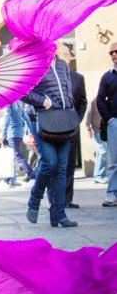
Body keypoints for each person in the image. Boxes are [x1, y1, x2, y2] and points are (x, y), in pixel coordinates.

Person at [24, 43, 78, 228]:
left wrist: (70, 108)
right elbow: (23, 91)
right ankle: (35, 200)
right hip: (42, 120)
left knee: (62, 168)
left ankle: (59, 215)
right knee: (50, 162)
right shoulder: (34, 66)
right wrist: (43, 102)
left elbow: (67, 90)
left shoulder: (62, 65)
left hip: (63, 120)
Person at [60, 42, 87, 209]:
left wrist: (77, 120)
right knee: (55, 164)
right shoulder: (50, 76)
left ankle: (67, 199)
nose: (63, 57)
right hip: (53, 126)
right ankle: (56, 199)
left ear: (70, 56)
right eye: (59, 54)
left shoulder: (78, 78)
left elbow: (83, 102)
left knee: (69, 163)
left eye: (66, 53)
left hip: (72, 126)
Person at [97, 41, 117, 207]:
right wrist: (109, 119)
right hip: (114, 122)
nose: (114, 55)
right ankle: (111, 193)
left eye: (116, 52)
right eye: (111, 53)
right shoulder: (107, 76)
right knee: (114, 160)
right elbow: (100, 100)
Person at [2, 101, 36, 184]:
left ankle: (33, 175)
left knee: (17, 156)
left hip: (11, 132)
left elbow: (7, 117)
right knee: (12, 157)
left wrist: (3, 133)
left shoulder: (7, 103)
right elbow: (26, 118)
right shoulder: (19, 102)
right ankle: (6, 180)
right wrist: (31, 132)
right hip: (19, 133)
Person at [86, 96, 108, 183]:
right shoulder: (93, 101)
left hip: (105, 131)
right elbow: (87, 115)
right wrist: (88, 129)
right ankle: (99, 175)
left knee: (100, 153)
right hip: (96, 131)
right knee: (103, 152)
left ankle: (97, 176)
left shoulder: (108, 101)